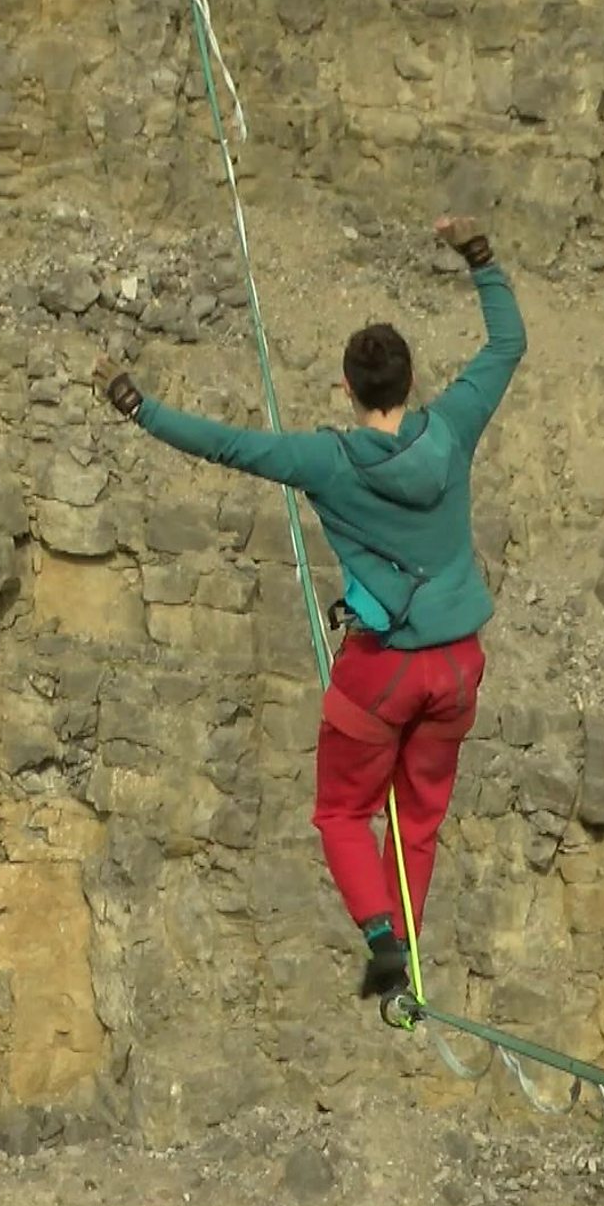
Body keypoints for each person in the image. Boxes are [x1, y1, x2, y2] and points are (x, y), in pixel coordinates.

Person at [93, 216, 526, 1005]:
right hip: (460, 666)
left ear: (349, 388)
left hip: (382, 673)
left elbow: (226, 445)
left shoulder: (325, 460)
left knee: (341, 812)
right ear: (409, 381)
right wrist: (479, 258)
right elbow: (505, 348)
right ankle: (409, 970)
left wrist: (135, 405)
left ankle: (380, 941)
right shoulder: (455, 426)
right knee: (417, 819)